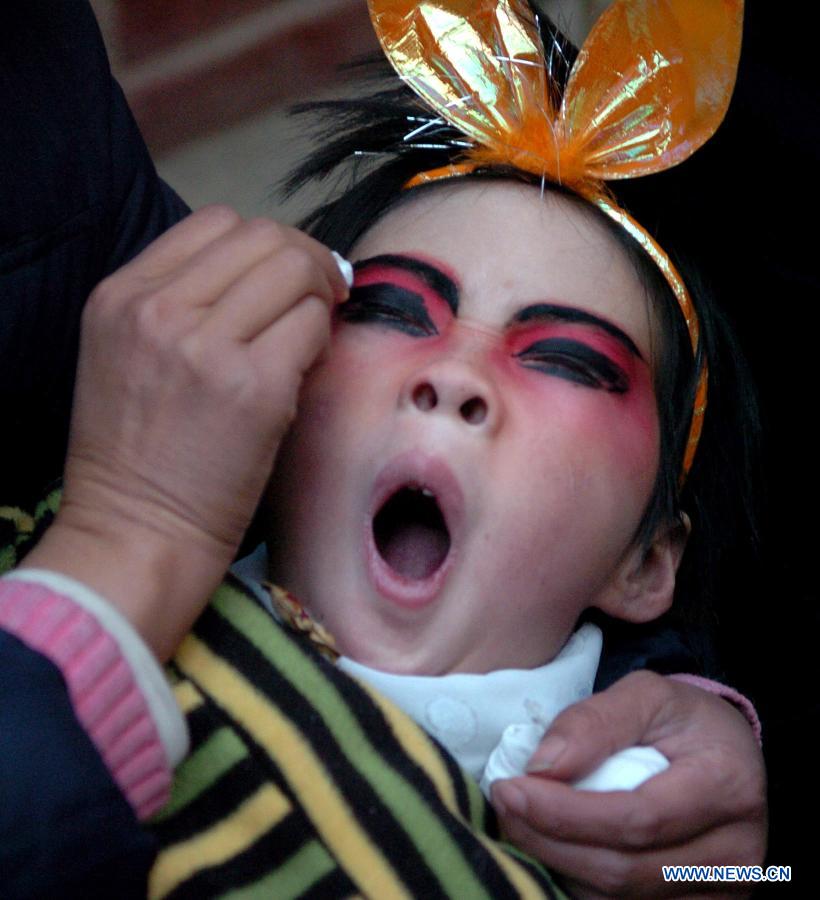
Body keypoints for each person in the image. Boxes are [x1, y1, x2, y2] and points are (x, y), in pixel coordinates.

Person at [0, 0, 767, 896]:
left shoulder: (660, 821)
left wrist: (750, 873)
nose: (454, 376)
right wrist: (125, 537)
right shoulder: (50, 525)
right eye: (391, 311)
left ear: (646, 560)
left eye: (566, 359)